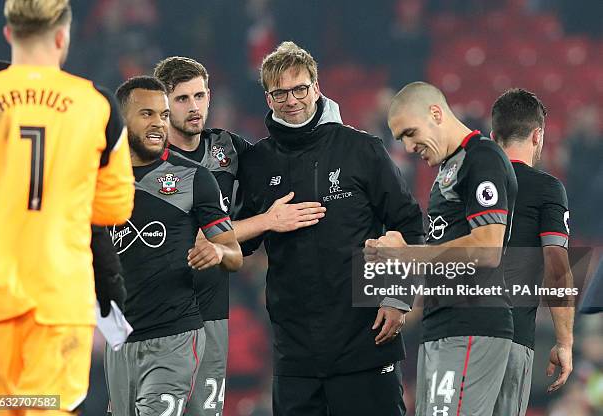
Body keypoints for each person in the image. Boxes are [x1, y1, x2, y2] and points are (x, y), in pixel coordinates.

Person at [236, 41, 425, 416]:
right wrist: (267, 221)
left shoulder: (362, 149)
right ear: (268, 98)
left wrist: (397, 298)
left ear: (317, 87)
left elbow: (409, 224)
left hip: (367, 337)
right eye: (280, 92)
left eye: (300, 88)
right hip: (295, 351)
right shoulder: (256, 162)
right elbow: (237, 243)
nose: (292, 100)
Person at [153, 56, 326, 416]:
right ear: (162, 103)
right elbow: (196, 242)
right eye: (182, 99)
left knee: (208, 409)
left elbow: (286, 164)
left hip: (213, 306)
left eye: (199, 96)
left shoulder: (229, 149)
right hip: (157, 308)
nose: (194, 107)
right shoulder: (144, 161)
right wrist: (266, 221)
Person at [0, 1, 134, 414]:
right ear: (61, 37)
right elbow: (112, 209)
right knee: (44, 406)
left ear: (9, 35)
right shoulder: (98, 107)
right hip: (59, 300)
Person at [372, 81, 517, 416]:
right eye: (401, 139)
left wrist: (406, 252)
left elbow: (487, 247)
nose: (408, 147)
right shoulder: (447, 170)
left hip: (471, 322)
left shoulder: (482, 158)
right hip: (446, 325)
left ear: (436, 113)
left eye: (410, 133)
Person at [105, 76, 242, 416]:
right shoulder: (99, 179)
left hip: (175, 335)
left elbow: (234, 254)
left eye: (164, 115)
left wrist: (218, 251)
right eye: (147, 114)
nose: (158, 124)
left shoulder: (194, 178)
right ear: (123, 121)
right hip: (120, 340)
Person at [490, 88, 574, 415]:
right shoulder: (547, 188)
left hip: (455, 337)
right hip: (510, 338)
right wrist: (564, 342)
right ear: (537, 135)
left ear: (493, 135)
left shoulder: (459, 184)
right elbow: (557, 267)